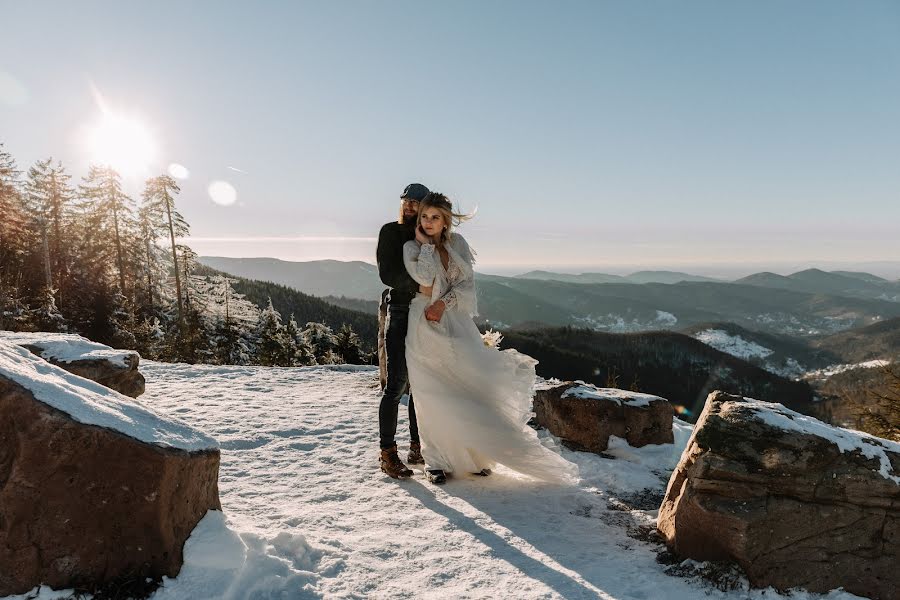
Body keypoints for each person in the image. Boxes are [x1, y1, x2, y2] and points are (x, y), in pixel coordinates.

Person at [403, 192, 578, 485]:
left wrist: (443, 304)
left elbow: (466, 284)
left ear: (446, 220)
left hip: (454, 318)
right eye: (424, 217)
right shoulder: (412, 247)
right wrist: (425, 247)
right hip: (422, 323)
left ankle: (475, 457)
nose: (429, 222)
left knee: (469, 386)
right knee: (430, 393)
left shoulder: (457, 244)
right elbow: (423, 278)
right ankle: (436, 462)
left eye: (435, 217)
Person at [375, 183, 431, 478]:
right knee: (396, 384)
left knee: (420, 384)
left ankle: (417, 445)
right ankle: (387, 454)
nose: (410, 206)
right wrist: (420, 286)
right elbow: (388, 273)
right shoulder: (390, 232)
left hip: (425, 313)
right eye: (407, 201)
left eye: (416, 202)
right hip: (400, 310)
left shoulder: (428, 234)